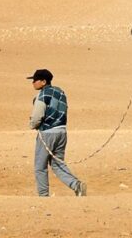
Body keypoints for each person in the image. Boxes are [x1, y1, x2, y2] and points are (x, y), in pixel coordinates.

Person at [28, 69, 86, 197]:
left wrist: (32, 125)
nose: (33, 83)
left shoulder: (43, 95)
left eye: (35, 80)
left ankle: (43, 196)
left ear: (43, 81)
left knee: (40, 166)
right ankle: (76, 185)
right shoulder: (61, 92)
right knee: (57, 164)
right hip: (62, 132)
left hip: (47, 134)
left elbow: (37, 117)